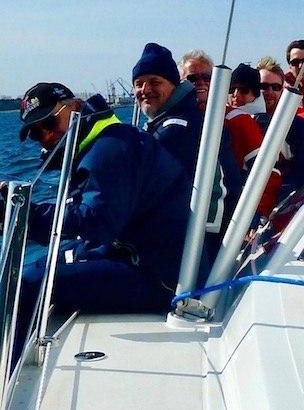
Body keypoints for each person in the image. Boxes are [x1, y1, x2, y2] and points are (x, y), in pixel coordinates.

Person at [2, 83, 195, 361]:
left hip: (159, 277)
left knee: (29, 283)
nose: (45, 136)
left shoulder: (109, 151)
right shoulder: (107, 141)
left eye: (50, 123)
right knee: (43, 264)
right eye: (35, 133)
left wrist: (22, 214)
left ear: (75, 108)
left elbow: (98, 222)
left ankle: (7, 373)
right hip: (135, 253)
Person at [132, 42, 242, 257]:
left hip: (201, 242)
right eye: (139, 83)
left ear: (175, 85)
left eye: (154, 82)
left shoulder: (176, 129)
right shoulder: (186, 119)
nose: (145, 90)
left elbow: (146, 191)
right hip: (205, 234)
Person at [256, 56, 304, 196]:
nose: (269, 92)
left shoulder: (300, 129)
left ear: (282, 91)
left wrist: (279, 195)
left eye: (276, 87)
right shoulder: (236, 121)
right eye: (263, 87)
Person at [226, 63, 280, 217]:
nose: (236, 95)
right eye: (231, 89)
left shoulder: (262, 123)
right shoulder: (222, 116)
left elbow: (269, 174)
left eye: (244, 90)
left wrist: (258, 214)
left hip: (244, 208)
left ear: (255, 94)